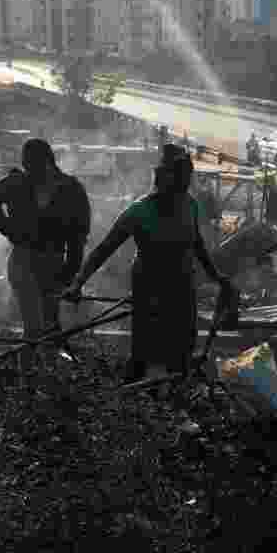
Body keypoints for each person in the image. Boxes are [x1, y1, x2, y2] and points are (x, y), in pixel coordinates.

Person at [62, 144, 233, 383]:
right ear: (165, 178)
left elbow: (198, 245)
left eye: (187, 179)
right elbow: (104, 249)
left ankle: (176, 391)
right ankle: (138, 392)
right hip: (149, 286)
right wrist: (78, 283)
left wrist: (217, 277)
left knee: (183, 345)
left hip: (182, 286)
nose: (185, 185)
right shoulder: (139, 211)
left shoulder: (189, 204)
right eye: (181, 179)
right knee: (146, 346)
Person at [0, 138, 91, 365]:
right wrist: (9, 229)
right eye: (28, 167)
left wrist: (70, 274)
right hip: (23, 260)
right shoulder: (17, 182)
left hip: (55, 261)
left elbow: (79, 237)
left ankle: (49, 379)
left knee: (50, 327)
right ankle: (28, 385)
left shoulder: (71, 189)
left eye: (36, 167)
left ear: (49, 163)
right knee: (33, 327)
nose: (32, 172)